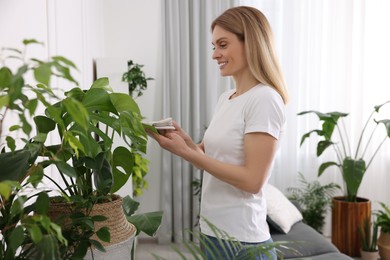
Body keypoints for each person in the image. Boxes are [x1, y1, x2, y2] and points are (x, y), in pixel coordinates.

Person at [148, 6, 288, 260]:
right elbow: (210, 153)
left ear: (252, 42)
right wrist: (185, 142)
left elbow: (253, 181)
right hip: (213, 231)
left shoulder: (265, 99)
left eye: (222, 45)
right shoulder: (227, 98)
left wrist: (189, 155)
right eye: (213, 46)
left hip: (242, 240)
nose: (215, 55)